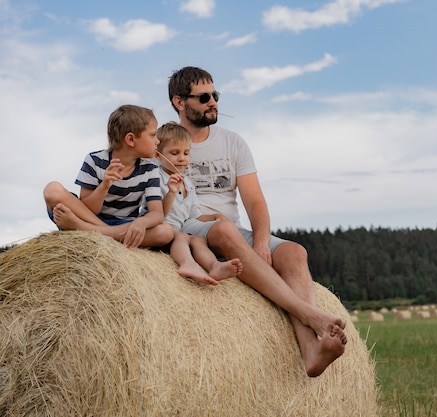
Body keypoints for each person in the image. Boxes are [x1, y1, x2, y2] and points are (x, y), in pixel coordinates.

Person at [168, 66, 347, 377]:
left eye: (216, 95)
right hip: (190, 226)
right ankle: (311, 315)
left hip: (233, 230)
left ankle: (311, 349)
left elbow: (254, 200)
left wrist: (262, 242)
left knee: (295, 252)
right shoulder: (166, 141)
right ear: (179, 102)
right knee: (223, 228)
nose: (214, 102)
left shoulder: (233, 142)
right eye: (204, 97)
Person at [43, 104, 173, 249]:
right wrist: (104, 185)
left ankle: (81, 228)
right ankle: (103, 232)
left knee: (166, 232)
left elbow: (157, 213)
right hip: (91, 218)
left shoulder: (150, 169)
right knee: (52, 190)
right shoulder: (94, 160)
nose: (157, 141)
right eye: (153, 135)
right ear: (130, 139)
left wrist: (141, 223)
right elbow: (88, 209)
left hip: (122, 225)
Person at [155, 121, 243, 285]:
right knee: (182, 237)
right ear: (158, 156)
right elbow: (157, 214)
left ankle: (215, 266)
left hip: (179, 229)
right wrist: (171, 193)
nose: (182, 158)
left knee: (198, 240)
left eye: (186, 153)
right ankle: (187, 264)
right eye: (175, 153)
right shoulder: (156, 178)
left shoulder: (187, 183)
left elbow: (194, 216)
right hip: (160, 230)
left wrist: (212, 217)